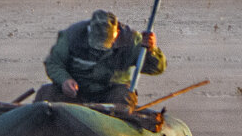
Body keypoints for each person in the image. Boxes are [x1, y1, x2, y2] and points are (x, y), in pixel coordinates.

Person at [36, 9, 166, 110]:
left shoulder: (132, 40)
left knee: (125, 96)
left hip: (110, 92)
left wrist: (151, 50)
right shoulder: (72, 35)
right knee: (46, 93)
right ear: (89, 30)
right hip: (76, 92)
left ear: (116, 34)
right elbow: (54, 63)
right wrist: (64, 80)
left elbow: (157, 68)